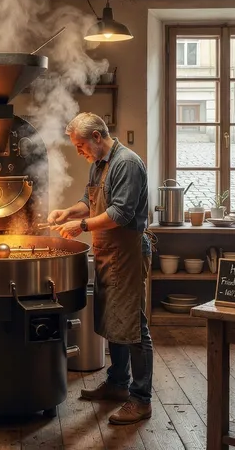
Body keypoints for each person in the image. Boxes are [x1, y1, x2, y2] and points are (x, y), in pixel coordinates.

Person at [50, 112, 153, 425]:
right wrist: (69, 210)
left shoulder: (127, 163)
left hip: (128, 253)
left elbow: (120, 214)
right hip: (108, 252)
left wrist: (79, 225)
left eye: (81, 145)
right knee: (113, 322)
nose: (79, 152)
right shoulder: (98, 164)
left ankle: (141, 399)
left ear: (97, 137)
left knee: (133, 327)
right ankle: (118, 383)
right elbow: (89, 199)